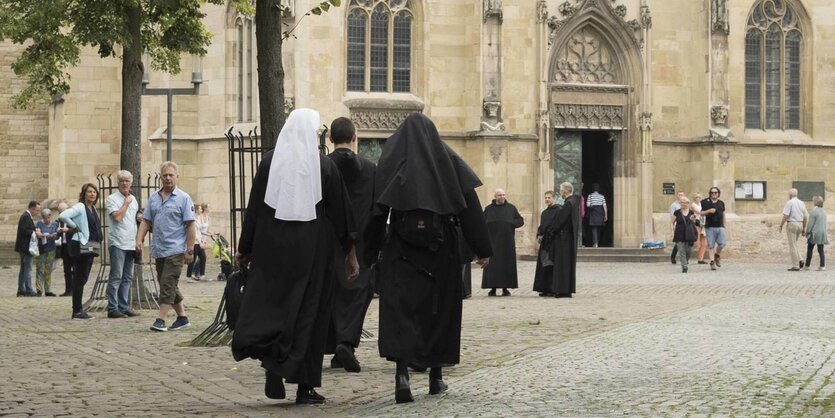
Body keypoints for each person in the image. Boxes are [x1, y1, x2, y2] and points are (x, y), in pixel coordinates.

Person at [231, 109, 358, 405]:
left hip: (272, 253)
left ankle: (274, 366)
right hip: (313, 254)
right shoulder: (324, 167)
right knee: (309, 318)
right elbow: (342, 217)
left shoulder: (268, 164)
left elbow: (255, 209)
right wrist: (351, 255)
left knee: (276, 309)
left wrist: (245, 247)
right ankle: (305, 387)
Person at [363, 113, 492, 404]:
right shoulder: (446, 158)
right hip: (440, 251)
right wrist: (482, 248)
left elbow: (377, 212)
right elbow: (469, 207)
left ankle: (402, 377)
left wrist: (368, 253)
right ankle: (435, 377)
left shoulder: (392, 160)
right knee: (439, 312)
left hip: (402, 251)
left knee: (402, 313)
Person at [325, 116, 376, 374]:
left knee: (330, 293)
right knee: (356, 294)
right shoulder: (370, 169)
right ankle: (346, 342)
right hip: (362, 242)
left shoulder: (322, 166)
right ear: (355, 137)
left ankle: (336, 346)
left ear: (330, 138)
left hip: (329, 240)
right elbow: (377, 208)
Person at [136, 161, 196, 332]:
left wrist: (190, 250)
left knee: (167, 283)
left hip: (176, 250)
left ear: (177, 177)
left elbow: (191, 225)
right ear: (160, 177)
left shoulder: (184, 199)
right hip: (159, 249)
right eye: (165, 175)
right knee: (168, 283)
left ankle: (160, 320)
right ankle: (182, 318)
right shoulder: (154, 198)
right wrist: (139, 239)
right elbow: (146, 221)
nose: (168, 178)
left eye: (171, 175)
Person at [59, 183, 102, 319]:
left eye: (94, 192)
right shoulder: (80, 206)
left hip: (91, 245)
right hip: (81, 245)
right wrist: (74, 226)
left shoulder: (93, 208)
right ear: (84, 194)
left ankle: (78, 309)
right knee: (80, 278)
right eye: (89, 192)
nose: (92, 194)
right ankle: (77, 310)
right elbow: (64, 215)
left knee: (83, 277)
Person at [105, 170, 140, 318]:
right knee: (116, 276)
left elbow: (134, 219)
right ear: (118, 183)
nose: (125, 183)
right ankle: (112, 308)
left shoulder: (134, 199)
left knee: (127, 277)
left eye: (127, 181)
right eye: (122, 181)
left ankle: (124, 306)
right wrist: (125, 204)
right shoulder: (112, 199)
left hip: (130, 243)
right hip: (118, 242)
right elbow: (118, 217)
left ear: (131, 182)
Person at [481, 188, 524, 296]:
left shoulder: (511, 208)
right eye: (500, 195)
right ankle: (493, 288)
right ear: (495, 196)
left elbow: (520, 220)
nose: (502, 197)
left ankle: (505, 288)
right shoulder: (488, 209)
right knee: (493, 265)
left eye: (503, 195)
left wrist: (511, 223)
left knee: (506, 264)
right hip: (493, 241)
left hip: (507, 242)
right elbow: (481, 222)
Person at [533, 191, 560, 297]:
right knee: (544, 265)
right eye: (546, 198)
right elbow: (542, 226)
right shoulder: (544, 212)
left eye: (549, 197)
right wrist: (539, 235)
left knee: (551, 265)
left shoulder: (558, 210)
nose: (547, 199)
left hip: (553, 243)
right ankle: (544, 288)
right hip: (544, 243)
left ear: (554, 198)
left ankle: (553, 288)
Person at [779, 188, 809, 271]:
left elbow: (786, 215)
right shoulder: (802, 203)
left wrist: (781, 225)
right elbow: (806, 216)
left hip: (792, 224)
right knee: (794, 243)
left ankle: (796, 265)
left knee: (792, 245)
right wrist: (804, 228)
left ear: (790, 195)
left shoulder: (789, 203)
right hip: (800, 224)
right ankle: (800, 259)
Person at [15, 200, 40, 297]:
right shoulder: (26, 216)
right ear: (32, 208)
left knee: (23, 269)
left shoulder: (27, 216)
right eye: (37, 210)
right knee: (27, 269)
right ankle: (28, 290)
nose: (37, 212)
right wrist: (35, 233)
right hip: (26, 247)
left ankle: (21, 290)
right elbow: (25, 231)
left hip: (24, 247)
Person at [699, 187, 726, 271]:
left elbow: (724, 214)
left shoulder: (721, 203)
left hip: (720, 226)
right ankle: (712, 262)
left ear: (718, 193)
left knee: (722, 244)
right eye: (712, 192)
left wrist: (724, 225)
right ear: (710, 193)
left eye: (716, 192)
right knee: (711, 245)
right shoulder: (705, 202)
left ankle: (717, 255)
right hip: (709, 227)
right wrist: (709, 211)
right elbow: (701, 213)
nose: (714, 194)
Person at [34, 208, 59, 296]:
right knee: (40, 269)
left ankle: (48, 290)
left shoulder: (55, 224)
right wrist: (41, 235)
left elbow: (57, 235)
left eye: (48, 218)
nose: (46, 220)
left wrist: (54, 236)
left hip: (51, 249)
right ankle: (39, 290)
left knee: (48, 270)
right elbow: (37, 233)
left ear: (50, 216)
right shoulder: (39, 224)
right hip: (41, 249)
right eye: (44, 218)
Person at [187, 203, 214, 281]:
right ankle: (189, 276)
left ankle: (202, 275)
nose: (201, 210)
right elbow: (195, 232)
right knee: (193, 258)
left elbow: (199, 231)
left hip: (198, 241)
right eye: (199, 209)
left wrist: (208, 234)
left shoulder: (197, 218)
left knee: (203, 257)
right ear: (196, 210)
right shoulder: (194, 219)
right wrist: (200, 241)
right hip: (195, 242)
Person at [671, 197, 698, 273]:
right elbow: (672, 222)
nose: (682, 204)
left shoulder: (691, 212)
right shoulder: (677, 212)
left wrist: (693, 219)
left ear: (687, 203)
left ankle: (685, 261)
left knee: (688, 251)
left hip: (689, 234)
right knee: (681, 250)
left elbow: (694, 222)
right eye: (681, 202)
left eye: (684, 202)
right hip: (679, 233)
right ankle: (684, 266)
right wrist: (672, 230)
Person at [55, 202, 74, 297]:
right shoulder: (61, 220)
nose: (60, 214)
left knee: (74, 270)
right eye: (59, 212)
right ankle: (68, 290)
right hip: (64, 247)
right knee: (66, 270)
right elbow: (59, 234)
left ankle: (75, 290)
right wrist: (57, 233)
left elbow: (78, 229)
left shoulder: (73, 218)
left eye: (62, 212)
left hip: (73, 247)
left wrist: (68, 230)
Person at [804, 196, 828, 271]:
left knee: (810, 249)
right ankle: (822, 265)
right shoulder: (824, 211)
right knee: (821, 250)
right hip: (822, 232)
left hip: (814, 233)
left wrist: (807, 232)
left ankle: (807, 265)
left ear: (815, 202)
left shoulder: (813, 212)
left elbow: (810, 224)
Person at [586, 183, 607, 248]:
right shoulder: (602, 196)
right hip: (600, 212)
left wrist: (592, 205)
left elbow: (588, 205)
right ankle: (597, 241)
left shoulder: (590, 196)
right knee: (599, 228)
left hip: (593, 212)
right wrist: (606, 215)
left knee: (594, 228)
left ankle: (595, 243)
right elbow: (604, 206)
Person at [691, 192, 708, 264]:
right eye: (696, 197)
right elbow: (699, 212)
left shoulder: (702, 204)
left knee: (704, 242)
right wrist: (708, 211)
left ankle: (700, 259)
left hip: (703, 224)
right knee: (695, 242)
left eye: (699, 197)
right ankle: (685, 255)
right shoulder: (693, 205)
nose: (698, 199)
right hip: (697, 224)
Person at [669, 191, 685, 264]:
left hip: (685, 226)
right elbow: (672, 216)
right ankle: (673, 256)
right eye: (679, 195)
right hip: (677, 225)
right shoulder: (674, 205)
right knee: (678, 242)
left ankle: (684, 258)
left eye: (682, 195)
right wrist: (672, 227)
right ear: (677, 196)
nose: (681, 196)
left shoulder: (686, 204)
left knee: (684, 241)